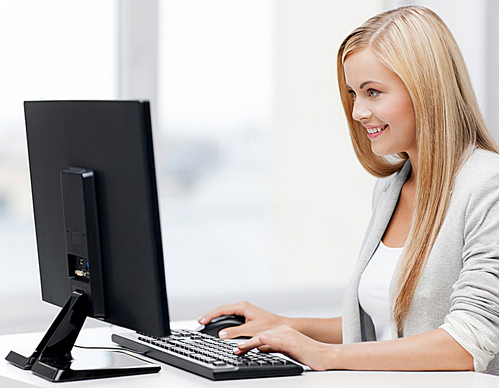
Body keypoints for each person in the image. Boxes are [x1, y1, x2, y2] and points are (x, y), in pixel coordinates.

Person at [198, 6, 499, 374]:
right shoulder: (391, 189)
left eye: (373, 92)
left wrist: (324, 356)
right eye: (354, 93)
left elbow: (469, 342)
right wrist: (287, 327)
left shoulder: (488, 185)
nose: (357, 111)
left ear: (427, 91)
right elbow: (389, 329)